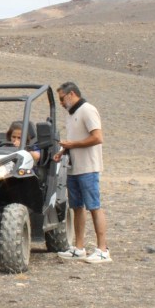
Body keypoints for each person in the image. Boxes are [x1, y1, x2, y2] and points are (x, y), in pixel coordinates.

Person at [53, 82, 110, 263]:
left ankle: (102, 250)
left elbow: (97, 137)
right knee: (77, 207)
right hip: (74, 168)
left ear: (71, 94)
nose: (61, 103)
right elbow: (75, 140)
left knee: (94, 206)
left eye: (62, 98)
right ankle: (79, 248)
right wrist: (64, 151)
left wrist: (72, 145)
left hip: (88, 168)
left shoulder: (88, 110)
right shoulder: (72, 114)